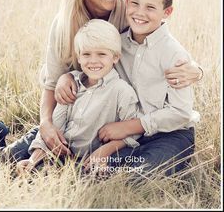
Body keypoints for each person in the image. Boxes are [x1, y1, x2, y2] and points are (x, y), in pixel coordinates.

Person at [0, 0, 202, 162]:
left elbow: (158, 42)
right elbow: (52, 84)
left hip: (127, 119)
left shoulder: (128, 10)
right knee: (10, 159)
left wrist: (197, 70)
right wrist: (47, 122)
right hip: (87, 112)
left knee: (124, 170)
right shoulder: (64, 25)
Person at [94, 0, 201, 177]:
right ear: (126, 0)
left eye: (150, 7)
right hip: (128, 133)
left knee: (137, 174)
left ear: (167, 12)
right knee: (94, 170)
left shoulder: (174, 55)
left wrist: (130, 126)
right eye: (135, 4)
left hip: (170, 134)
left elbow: (180, 113)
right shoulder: (117, 44)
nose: (140, 13)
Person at [9, 19, 142, 173]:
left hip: (90, 161)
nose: (93, 60)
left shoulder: (122, 91)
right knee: (10, 161)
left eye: (101, 54)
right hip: (58, 156)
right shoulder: (71, 85)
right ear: (79, 57)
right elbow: (55, 126)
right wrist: (33, 160)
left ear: (115, 57)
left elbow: (133, 133)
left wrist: (104, 152)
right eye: (86, 54)